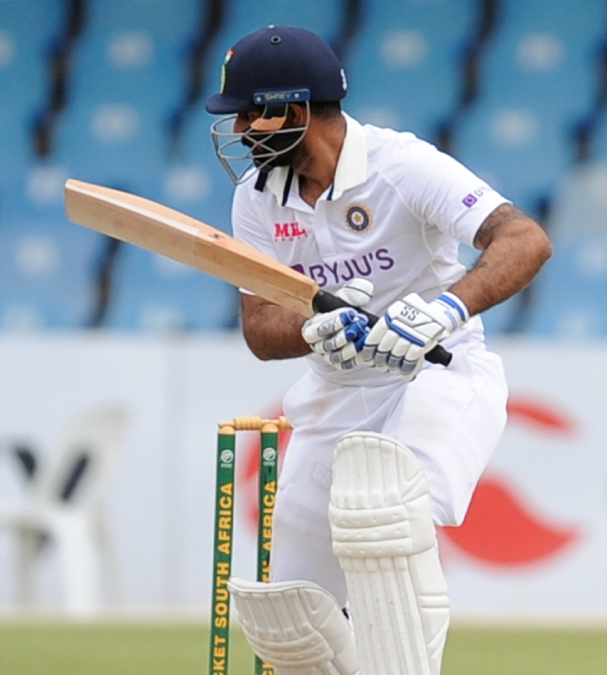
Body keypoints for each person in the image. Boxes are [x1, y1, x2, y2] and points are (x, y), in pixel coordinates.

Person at [205, 25, 552, 675]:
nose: (243, 128)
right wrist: (313, 326)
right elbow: (258, 325)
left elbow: (525, 240)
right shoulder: (254, 199)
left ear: (295, 109)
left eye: (253, 112)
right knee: (293, 618)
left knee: (383, 513)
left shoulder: (402, 166)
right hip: (336, 393)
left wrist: (445, 307)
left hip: (439, 374)